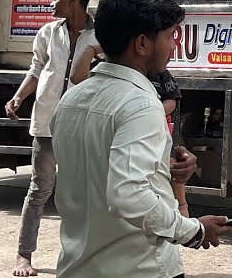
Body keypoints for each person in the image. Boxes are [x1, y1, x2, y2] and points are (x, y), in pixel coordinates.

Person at [50, 0, 232, 278]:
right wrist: (194, 230)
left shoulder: (71, 100)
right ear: (141, 43)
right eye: (169, 36)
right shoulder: (140, 104)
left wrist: (163, 166)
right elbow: (127, 193)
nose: (173, 46)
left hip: (78, 271)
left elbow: (95, 168)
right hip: (140, 271)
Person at [3, 0, 98, 278]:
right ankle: (24, 254)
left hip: (82, 125)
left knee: (81, 193)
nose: (51, 4)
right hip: (46, 121)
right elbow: (36, 69)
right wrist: (18, 97)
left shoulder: (101, 36)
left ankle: (81, 256)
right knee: (39, 189)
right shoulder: (47, 32)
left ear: (73, 0)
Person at [71, 43, 191, 217]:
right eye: (167, 36)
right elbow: (77, 78)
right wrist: (90, 49)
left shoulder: (159, 73)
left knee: (171, 167)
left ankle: (182, 207)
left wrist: (150, 112)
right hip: (120, 133)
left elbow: (171, 100)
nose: (172, 46)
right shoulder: (104, 71)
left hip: (155, 129)